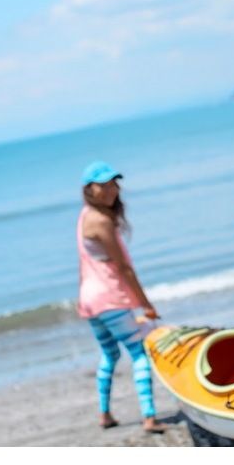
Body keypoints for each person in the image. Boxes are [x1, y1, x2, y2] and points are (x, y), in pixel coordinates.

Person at [76, 160, 166, 434]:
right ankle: (149, 417)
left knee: (110, 354)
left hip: (90, 300)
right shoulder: (101, 221)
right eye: (102, 185)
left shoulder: (84, 215)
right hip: (109, 298)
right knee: (140, 354)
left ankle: (104, 414)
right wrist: (145, 304)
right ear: (89, 189)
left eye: (113, 183)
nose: (111, 189)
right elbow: (123, 268)